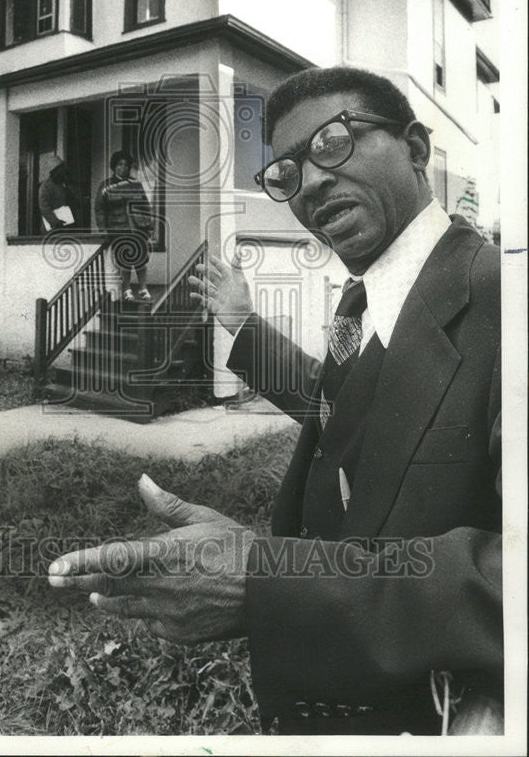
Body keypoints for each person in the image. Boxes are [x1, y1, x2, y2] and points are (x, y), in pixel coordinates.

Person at [49, 67, 501, 736]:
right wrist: (245, 327)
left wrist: (267, 580)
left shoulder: (502, 298)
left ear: (414, 146)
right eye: (286, 170)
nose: (311, 180)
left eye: (335, 141)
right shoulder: (361, 294)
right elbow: (348, 409)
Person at [94, 150, 153, 302]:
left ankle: (143, 288)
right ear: (114, 166)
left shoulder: (136, 185)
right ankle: (127, 290)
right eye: (120, 164)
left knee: (140, 259)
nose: (123, 168)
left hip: (137, 228)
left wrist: (149, 227)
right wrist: (103, 229)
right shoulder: (106, 186)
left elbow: (146, 206)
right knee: (124, 259)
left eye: (126, 165)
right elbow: (100, 209)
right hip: (118, 228)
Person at [38, 156, 80, 232]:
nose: (62, 171)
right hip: (52, 230)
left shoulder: (64, 184)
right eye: (60, 169)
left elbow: (74, 201)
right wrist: (55, 222)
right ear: (53, 171)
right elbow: (44, 208)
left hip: (66, 226)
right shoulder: (45, 187)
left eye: (63, 168)